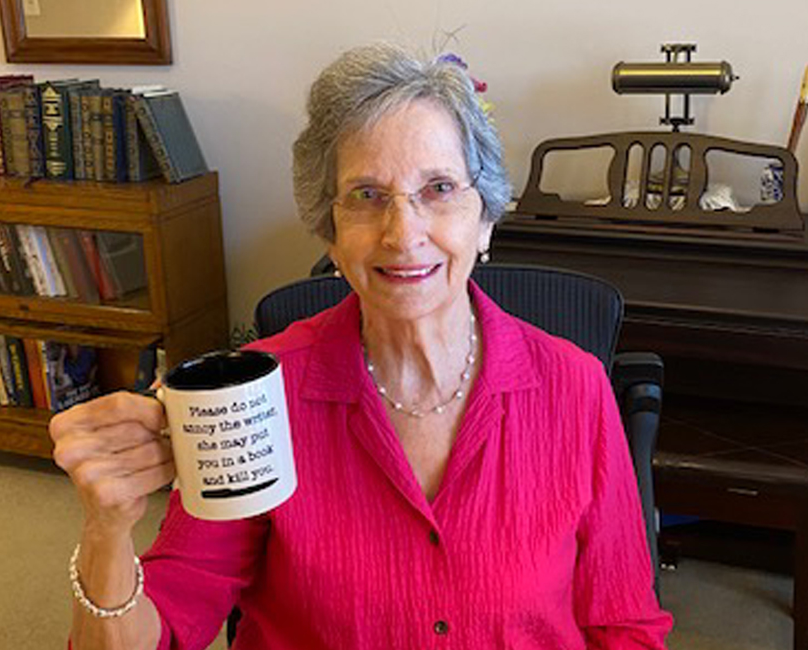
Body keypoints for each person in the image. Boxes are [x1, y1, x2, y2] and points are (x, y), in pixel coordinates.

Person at [50, 42, 672, 650]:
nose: (403, 234)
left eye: (439, 189)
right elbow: (162, 627)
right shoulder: (259, 401)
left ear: (485, 220)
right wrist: (107, 528)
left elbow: (623, 626)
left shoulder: (575, 386)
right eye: (367, 196)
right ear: (332, 234)